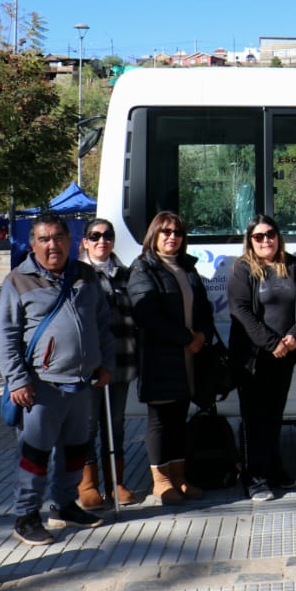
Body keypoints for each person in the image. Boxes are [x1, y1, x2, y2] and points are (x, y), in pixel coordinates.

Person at [0, 213, 114, 545]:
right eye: (44, 239)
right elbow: (6, 337)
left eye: (58, 238)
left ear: (70, 241)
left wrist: (106, 363)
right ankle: (26, 515)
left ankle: (64, 506)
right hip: (40, 387)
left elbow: (103, 324)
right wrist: (17, 380)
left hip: (82, 383)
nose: (52, 245)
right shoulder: (17, 281)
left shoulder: (86, 276)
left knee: (77, 450)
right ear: (33, 244)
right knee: (35, 454)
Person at [128, 211, 214, 505]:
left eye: (177, 232)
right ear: (154, 235)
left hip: (189, 357)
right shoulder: (143, 268)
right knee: (159, 421)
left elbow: (204, 309)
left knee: (179, 418)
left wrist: (202, 334)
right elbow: (146, 314)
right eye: (165, 232)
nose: (172, 237)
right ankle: (161, 481)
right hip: (161, 357)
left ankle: (179, 477)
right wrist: (187, 338)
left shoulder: (187, 268)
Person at [227, 214, 296, 502]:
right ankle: (254, 478)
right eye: (259, 236)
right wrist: (271, 342)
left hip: (284, 355)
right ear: (250, 241)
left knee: (275, 415)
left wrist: (294, 337)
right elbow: (241, 311)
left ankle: (273, 469)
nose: (266, 240)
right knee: (254, 418)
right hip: (253, 357)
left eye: (271, 234)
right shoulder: (242, 269)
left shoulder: (294, 266)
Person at [75, 217, 141, 509]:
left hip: (122, 362)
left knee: (115, 425)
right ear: (85, 241)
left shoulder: (125, 274)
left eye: (107, 235)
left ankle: (116, 482)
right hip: (89, 366)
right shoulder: (77, 274)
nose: (102, 241)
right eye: (95, 235)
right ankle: (87, 484)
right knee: (87, 425)